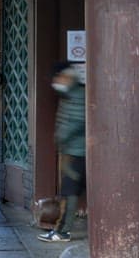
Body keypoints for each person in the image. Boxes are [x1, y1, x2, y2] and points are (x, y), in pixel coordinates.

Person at [38, 63, 86, 243]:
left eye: (57, 78)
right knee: (70, 191)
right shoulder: (71, 93)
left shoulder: (76, 95)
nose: (55, 82)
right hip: (74, 150)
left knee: (69, 192)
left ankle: (63, 231)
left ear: (66, 76)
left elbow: (75, 122)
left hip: (76, 151)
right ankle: (62, 229)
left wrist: (60, 137)